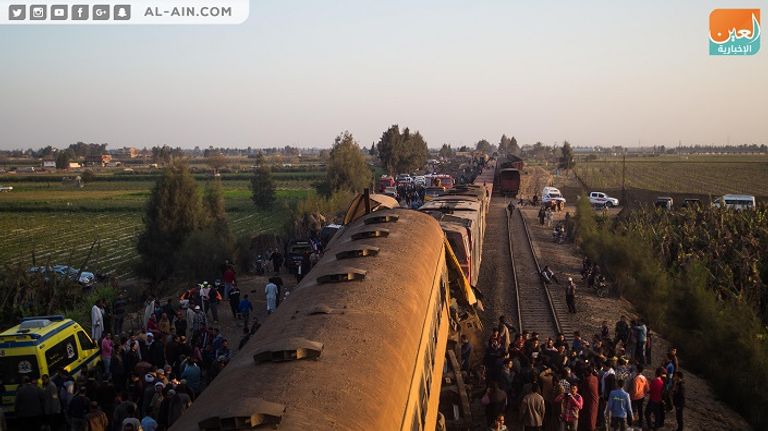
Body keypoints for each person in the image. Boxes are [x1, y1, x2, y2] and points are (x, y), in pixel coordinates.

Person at [629, 364, 649, 428]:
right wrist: (644, 394)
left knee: (633, 410)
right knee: (640, 410)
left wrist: (631, 396)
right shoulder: (644, 378)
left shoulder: (636, 379)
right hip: (641, 396)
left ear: (637, 369)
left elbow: (635, 391)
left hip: (635, 397)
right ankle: (640, 422)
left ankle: (632, 422)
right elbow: (647, 388)